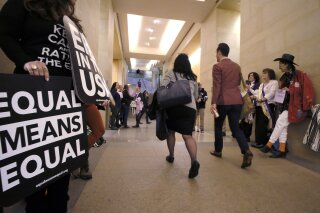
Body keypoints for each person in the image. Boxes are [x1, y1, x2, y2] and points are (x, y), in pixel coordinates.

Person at [0, 0, 105, 211]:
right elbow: (4, 34)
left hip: (66, 102)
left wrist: (94, 87)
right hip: (33, 98)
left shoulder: (70, 20)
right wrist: (25, 61)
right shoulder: (23, 3)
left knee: (61, 179)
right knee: (35, 184)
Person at [260, 54, 315, 158]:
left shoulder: (299, 75)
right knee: (283, 128)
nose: (279, 66)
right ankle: (282, 150)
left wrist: (290, 90)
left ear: (287, 65)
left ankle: (269, 145)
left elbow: (305, 90)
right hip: (284, 105)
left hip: (294, 107)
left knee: (280, 123)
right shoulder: (284, 77)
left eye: (281, 64)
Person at [210, 43, 253, 169]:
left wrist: (214, 103)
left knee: (218, 126)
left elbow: (217, 85)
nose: (215, 55)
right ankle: (246, 150)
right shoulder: (237, 66)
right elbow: (239, 84)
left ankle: (218, 150)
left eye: (216, 53)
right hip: (237, 101)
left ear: (219, 52)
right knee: (236, 128)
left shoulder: (217, 66)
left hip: (223, 101)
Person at [161, 53, 200, 179]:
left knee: (171, 132)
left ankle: (171, 156)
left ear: (176, 63)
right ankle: (194, 161)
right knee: (187, 136)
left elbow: (162, 87)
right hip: (190, 108)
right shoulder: (193, 77)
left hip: (175, 107)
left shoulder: (171, 73)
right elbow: (196, 96)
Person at [249, 69, 278, 148]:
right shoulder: (262, 84)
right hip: (259, 106)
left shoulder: (274, 83)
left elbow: (272, 93)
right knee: (258, 124)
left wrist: (263, 99)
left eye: (265, 73)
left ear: (270, 74)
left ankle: (262, 142)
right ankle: (258, 141)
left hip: (268, 105)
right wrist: (254, 97)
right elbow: (258, 93)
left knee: (263, 124)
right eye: (263, 73)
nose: (263, 75)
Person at [239, 72, 260, 142]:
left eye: (252, 76)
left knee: (249, 121)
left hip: (251, 105)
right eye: (249, 75)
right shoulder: (246, 84)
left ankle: (247, 136)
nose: (250, 77)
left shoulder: (257, 84)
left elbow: (257, 94)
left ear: (255, 77)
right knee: (243, 120)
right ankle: (242, 135)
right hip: (244, 104)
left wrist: (249, 89)